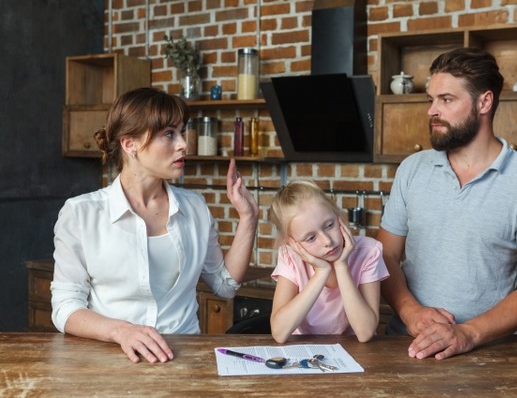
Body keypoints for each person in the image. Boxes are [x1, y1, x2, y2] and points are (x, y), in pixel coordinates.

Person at [377, 47, 517, 360]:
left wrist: (467, 333)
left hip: (487, 355)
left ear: (484, 102)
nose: (432, 111)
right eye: (431, 99)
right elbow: (385, 256)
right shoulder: (412, 169)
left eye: (446, 100)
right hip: (405, 346)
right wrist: (411, 314)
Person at [51, 87, 259, 363]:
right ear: (130, 144)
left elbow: (225, 285)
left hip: (184, 359)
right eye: (169, 134)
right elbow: (65, 307)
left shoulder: (195, 208)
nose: (184, 143)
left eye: (182, 132)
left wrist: (248, 218)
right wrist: (122, 331)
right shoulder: (81, 214)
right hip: (110, 360)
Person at [268, 180, 389, 343]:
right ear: (293, 243)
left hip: (354, 352)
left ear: (337, 216)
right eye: (311, 238)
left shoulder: (369, 251)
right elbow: (279, 333)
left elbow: (365, 332)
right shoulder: (290, 257)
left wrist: (341, 265)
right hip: (306, 351)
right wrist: (321, 272)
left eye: (329, 225)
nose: (327, 241)